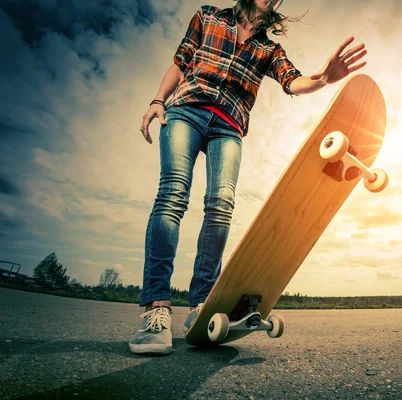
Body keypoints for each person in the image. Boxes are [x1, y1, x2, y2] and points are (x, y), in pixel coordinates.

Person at [129, 0, 367, 355]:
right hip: (186, 110)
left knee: (221, 205)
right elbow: (179, 63)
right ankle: (156, 311)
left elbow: (293, 79)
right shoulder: (209, 15)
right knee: (173, 194)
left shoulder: (269, 48)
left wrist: (321, 78)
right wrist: (157, 100)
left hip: (229, 126)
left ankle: (200, 306)